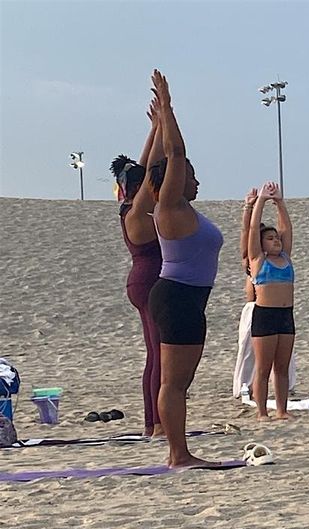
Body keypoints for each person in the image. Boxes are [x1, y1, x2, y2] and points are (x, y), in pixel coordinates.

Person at [144, 70, 221, 468]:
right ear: (173, 183)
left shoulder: (182, 209)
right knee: (174, 383)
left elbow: (162, 159)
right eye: (191, 176)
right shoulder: (169, 207)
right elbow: (172, 157)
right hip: (177, 298)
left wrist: (157, 126)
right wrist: (170, 110)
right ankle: (178, 454)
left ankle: (180, 450)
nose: (196, 180)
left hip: (186, 299)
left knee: (178, 382)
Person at [112, 100, 164, 436]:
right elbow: (148, 177)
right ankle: (157, 423)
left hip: (141, 280)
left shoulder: (126, 204)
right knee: (160, 353)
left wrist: (155, 128)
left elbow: (143, 168)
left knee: (153, 353)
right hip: (149, 280)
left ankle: (151, 423)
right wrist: (164, 126)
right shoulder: (136, 210)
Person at [234, 187, 297, 398]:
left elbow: (287, 229)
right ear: (261, 244)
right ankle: (262, 411)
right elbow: (252, 230)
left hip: (285, 315)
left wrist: (280, 203)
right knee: (262, 368)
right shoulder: (258, 260)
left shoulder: (285, 258)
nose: (276, 240)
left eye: (276, 237)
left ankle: (282, 409)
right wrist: (258, 201)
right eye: (270, 238)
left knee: (282, 368)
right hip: (265, 314)